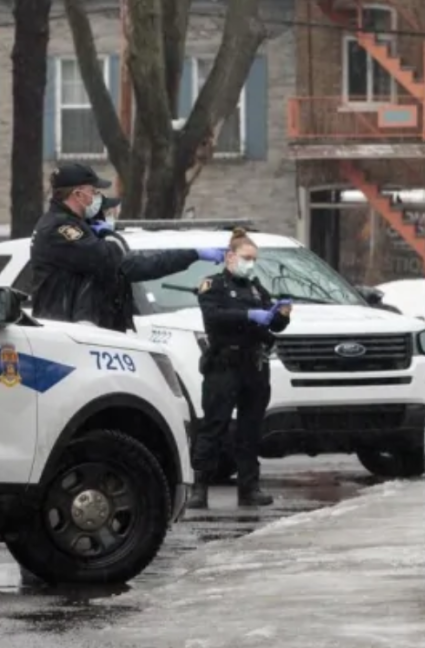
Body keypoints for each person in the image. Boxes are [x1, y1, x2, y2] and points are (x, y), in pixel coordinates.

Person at [29, 162, 227, 331]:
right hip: (70, 332)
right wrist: (111, 237)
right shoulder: (60, 228)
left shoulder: (74, 226)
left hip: (82, 330)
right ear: (78, 194)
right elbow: (121, 264)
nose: (96, 197)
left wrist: (191, 254)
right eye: (93, 191)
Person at [189, 228, 292, 509]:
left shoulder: (257, 288)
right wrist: (249, 315)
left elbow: (272, 323)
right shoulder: (213, 285)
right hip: (224, 364)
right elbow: (214, 317)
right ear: (230, 257)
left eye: (254, 259)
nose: (251, 263)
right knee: (214, 426)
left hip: (254, 365)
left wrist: (281, 316)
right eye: (247, 258)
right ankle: (199, 487)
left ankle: (249, 486)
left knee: (250, 429)